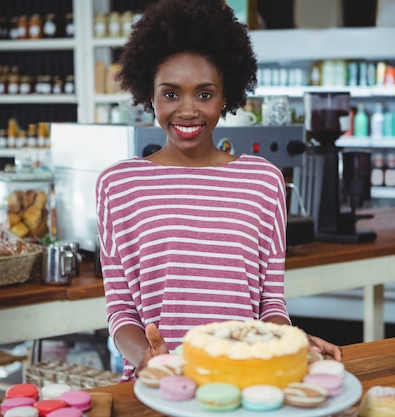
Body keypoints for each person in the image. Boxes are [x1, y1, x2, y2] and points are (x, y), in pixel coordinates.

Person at [96, 0, 342, 382]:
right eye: (171, 94)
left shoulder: (263, 181)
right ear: (149, 94)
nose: (188, 110)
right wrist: (147, 356)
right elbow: (122, 310)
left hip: (245, 381)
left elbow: (270, 302)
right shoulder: (119, 185)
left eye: (205, 94)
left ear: (227, 95)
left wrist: (295, 343)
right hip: (159, 386)